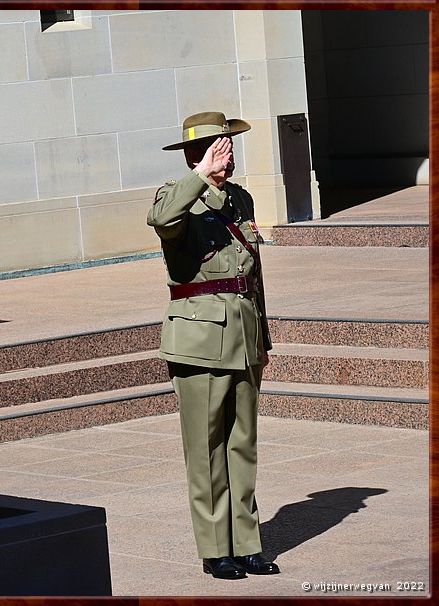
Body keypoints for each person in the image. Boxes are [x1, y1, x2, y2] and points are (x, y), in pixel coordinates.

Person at [147, 111, 280, 580]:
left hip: (243, 336)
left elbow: (252, 276)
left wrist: (262, 336)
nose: (225, 154)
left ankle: (246, 543)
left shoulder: (239, 200)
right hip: (199, 339)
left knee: (242, 445)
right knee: (205, 449)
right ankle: (214, 548)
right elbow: (162, 221)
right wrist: (199, 177)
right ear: (193, 155)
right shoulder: (174, 195)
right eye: (214, 147)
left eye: (227, 145)